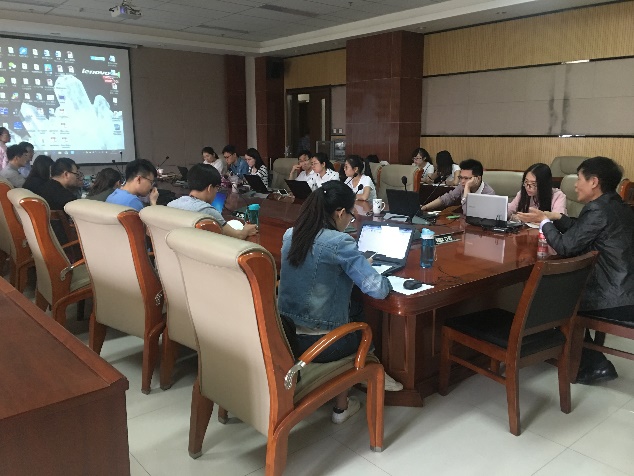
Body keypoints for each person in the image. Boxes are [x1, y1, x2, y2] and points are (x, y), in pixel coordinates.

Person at [277, 180, 401, 424]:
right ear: (340, 212)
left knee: (352, 301)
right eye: (351, 215)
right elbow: (377, 290)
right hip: (323, 344)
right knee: (359, 316)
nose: (350, 221)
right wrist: (374, 272)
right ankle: (350, 395)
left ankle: (345, 395)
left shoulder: (291, 234)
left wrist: (357, 265)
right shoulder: (340, 242)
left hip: (286, 336)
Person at [517, 157, 634, 385]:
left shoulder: (598, 210)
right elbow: (581, 230)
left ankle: (590, 362)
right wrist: (555, 217)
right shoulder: (616, 205)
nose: (575, 185)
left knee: (555, 294)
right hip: (626, 289)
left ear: (594, 182)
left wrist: (543, 222)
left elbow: (566, 246)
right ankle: (588, 358)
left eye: (579, 179)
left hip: (614, 297)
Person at [167, 164, 258, 240]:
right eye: (217, 188)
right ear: (210, 188)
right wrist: (247, 230)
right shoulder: (207, 211)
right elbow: (239, 235)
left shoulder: (171, 205)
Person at [421, 159, 495, 214]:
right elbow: (448, 198)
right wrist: (425, 207)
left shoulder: (489, 193)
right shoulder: (462, 186)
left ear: (478, 178)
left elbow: (467, 212)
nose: (462, 181)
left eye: (466, 178)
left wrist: (467, 188)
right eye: (461, 177)